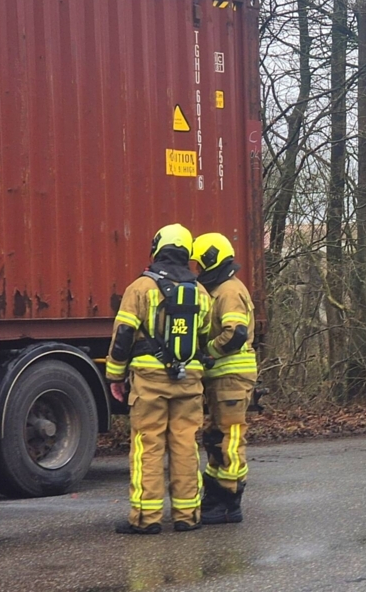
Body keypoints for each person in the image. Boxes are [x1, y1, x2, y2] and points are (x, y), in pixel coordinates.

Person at [106, 223, 212, 533]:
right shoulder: (201, 292)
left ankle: (146, 518)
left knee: (148, 445)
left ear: (157, 249)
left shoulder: (141, 287)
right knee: (185, 445)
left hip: (149, 379)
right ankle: (187, 516)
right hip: (189, 380)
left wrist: (115, 375)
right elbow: (204, 338)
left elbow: (123, 336)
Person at [192, 232, 259, 523]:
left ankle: (229, 502)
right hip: (222, 378)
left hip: (232, 377)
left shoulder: (229, 291)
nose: (197, 270)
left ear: (212, 259)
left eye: (200, 264)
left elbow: (236, 334)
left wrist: (207, 351)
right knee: (215, 437)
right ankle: (216, 497)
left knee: (229, 439)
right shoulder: (220, 288)